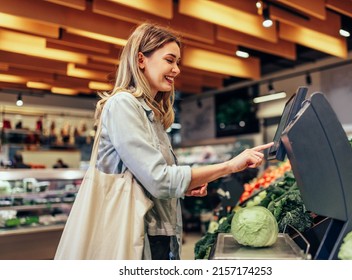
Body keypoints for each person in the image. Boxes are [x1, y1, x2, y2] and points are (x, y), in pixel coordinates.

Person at [93, 22, 273, 260]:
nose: (176, 70)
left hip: (159, 234)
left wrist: (185, 186)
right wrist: (230, 166)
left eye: (177, 62)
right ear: (140, 60)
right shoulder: (123, 105)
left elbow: (150, 178)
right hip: (136, 238)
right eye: (170, 60)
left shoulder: (152, 114)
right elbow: (159, 179)